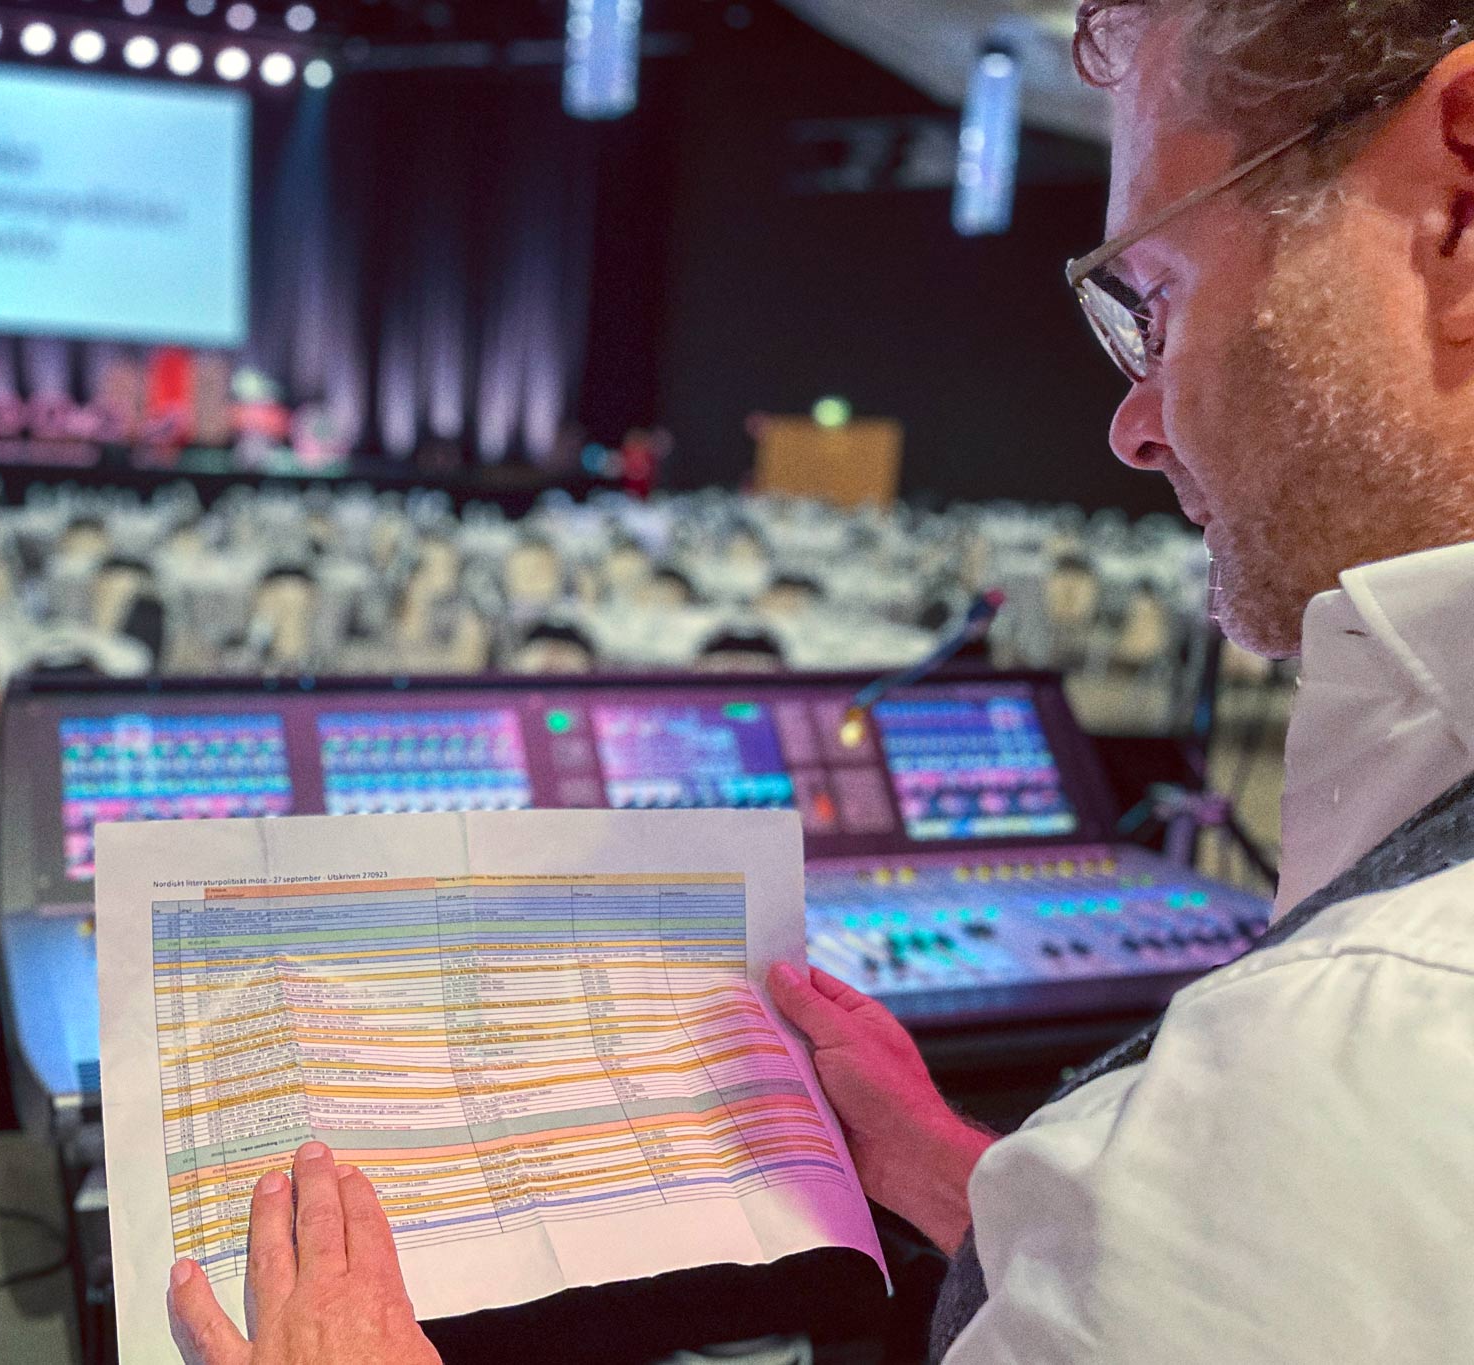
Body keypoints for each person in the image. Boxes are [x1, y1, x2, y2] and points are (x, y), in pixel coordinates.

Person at [166, 3, 1474, 1361]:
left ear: (1461, 196)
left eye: (1157, 298)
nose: (1132, 425)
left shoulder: (1361, 1047)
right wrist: (943, 1173)